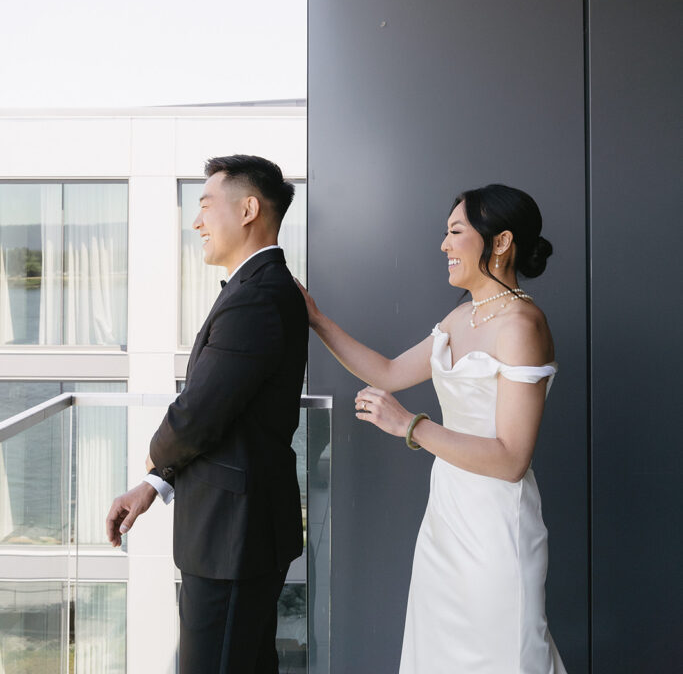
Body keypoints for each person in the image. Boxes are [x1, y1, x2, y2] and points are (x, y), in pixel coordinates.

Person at [299, 183, 567, 674]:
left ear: (501, 242)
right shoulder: (461, 316)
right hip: (444, 524)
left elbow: (511, 459)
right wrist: (316, 320)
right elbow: (387, 372)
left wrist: (410, 425)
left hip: (496, 531)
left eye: (456, 232)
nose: (444, 245)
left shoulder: (523, 326)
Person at [106, 155, 308, 674]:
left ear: (247, 209)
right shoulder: (259, 288)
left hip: (232, 536)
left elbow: (198, 415)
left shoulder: (256, 296)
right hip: (237, 529)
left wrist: (155, 452)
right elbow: (228, 416)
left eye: (204, 205)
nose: (196, 222)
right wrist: (154, 483)